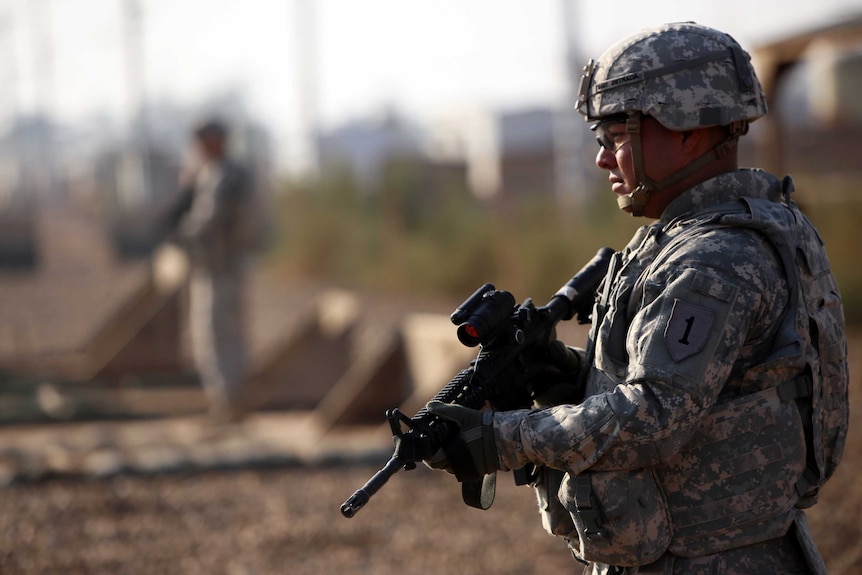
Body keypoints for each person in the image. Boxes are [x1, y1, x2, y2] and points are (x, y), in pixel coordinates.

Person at [423, 22, 849, 574]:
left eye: (616, 138)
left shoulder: (711, 260)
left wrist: (500, 438)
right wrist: (571, 373)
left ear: (688, 130)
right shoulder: (704, 235)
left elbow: (653, 416)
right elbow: (701, 385)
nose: (602, 160)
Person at [174, 118, 255, 423]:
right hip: (222, 265)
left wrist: (180, 233)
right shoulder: (222, 173)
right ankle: (230, 402)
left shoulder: (223, 175)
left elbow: (208, 221)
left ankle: (228, 404)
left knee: (215, 335)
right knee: (226, 336)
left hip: (220, 267)